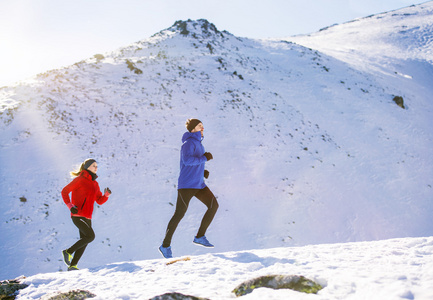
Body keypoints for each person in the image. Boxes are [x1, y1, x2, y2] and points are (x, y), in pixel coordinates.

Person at [159, 119, 219, 259]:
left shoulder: (198, 143)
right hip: (186, 185)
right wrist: (204, 158)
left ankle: (199, 236)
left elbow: (194, 162)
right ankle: (165, 245)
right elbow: (187, 161)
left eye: (203, 126)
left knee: (213, 205)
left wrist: (202, 171)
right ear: (192, 129)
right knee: (179, 214)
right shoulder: (188, 144)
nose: (202, 128)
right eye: (199, 126)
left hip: (198, 184)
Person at [61, 158, 112, 271]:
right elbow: (65, 191)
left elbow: (99, 200)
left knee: (84, 240)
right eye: (93, 165)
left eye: (96, 166)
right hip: (78, 215)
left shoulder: (95, 184)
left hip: (88, 217)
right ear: (87, 167)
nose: (96, 167)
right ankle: (68, 251)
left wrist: (106, 196)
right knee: (90, 236)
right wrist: (70, 206)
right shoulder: (79, 180)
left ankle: (73, 266)